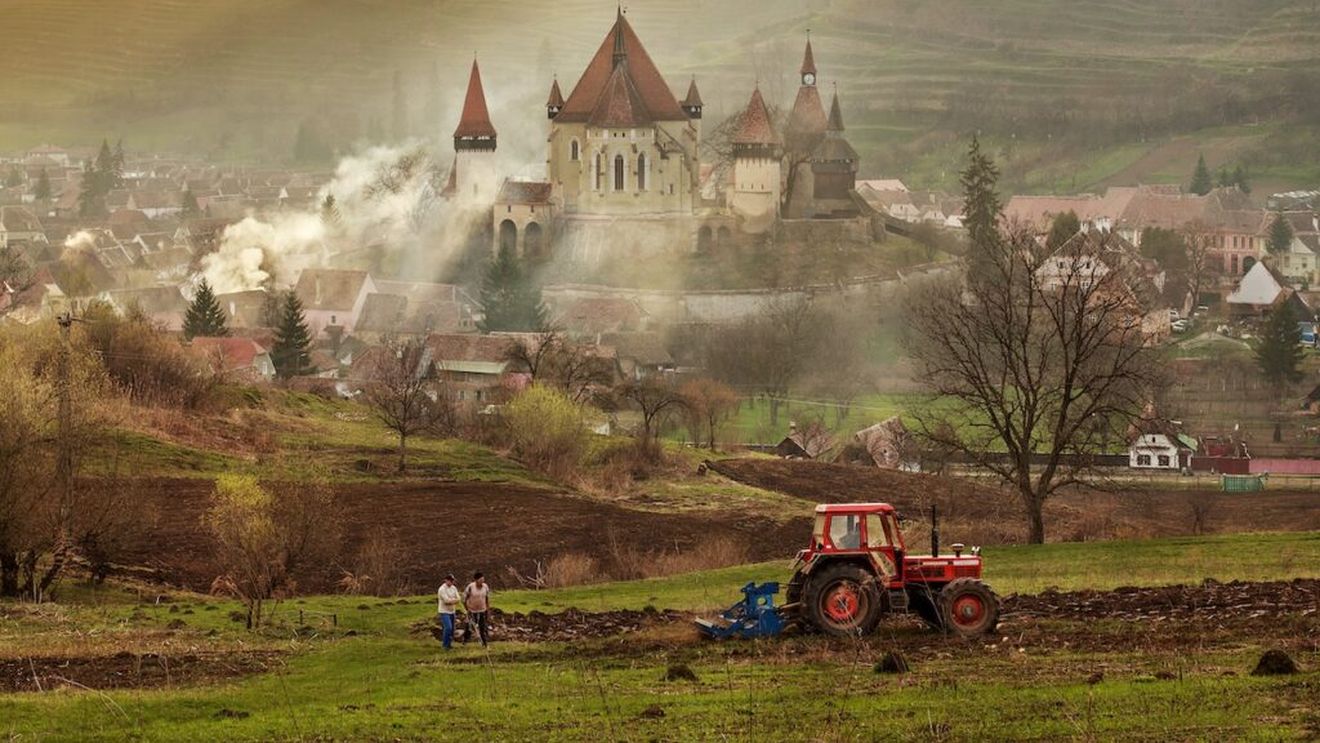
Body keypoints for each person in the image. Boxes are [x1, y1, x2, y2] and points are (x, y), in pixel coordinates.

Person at [461, 572, 491, 647]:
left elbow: (487, 598)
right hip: (472, 610)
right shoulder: (470, 587)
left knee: (483, 627)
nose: (482, 581)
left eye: (483, 579)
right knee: (469, 627)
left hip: (482, 610)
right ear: (476, 580)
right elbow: (464, 599)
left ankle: (484, 643)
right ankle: (465, 641)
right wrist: (467, 609)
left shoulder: (485, 587)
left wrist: (488, 609)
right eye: (480, 579)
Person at [436, 574, 461, 650]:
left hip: (452, 611)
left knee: (452, 629)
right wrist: (454, 600)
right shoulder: (442, 589)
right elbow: (446, 601)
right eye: (450, 580)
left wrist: (453, 600)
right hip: (444, 611)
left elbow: (458, 598)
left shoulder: (454, 588)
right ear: (446, 580)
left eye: (452, 580)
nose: (452, 582)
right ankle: (445, 645)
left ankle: (449, 644)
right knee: (448, 628)